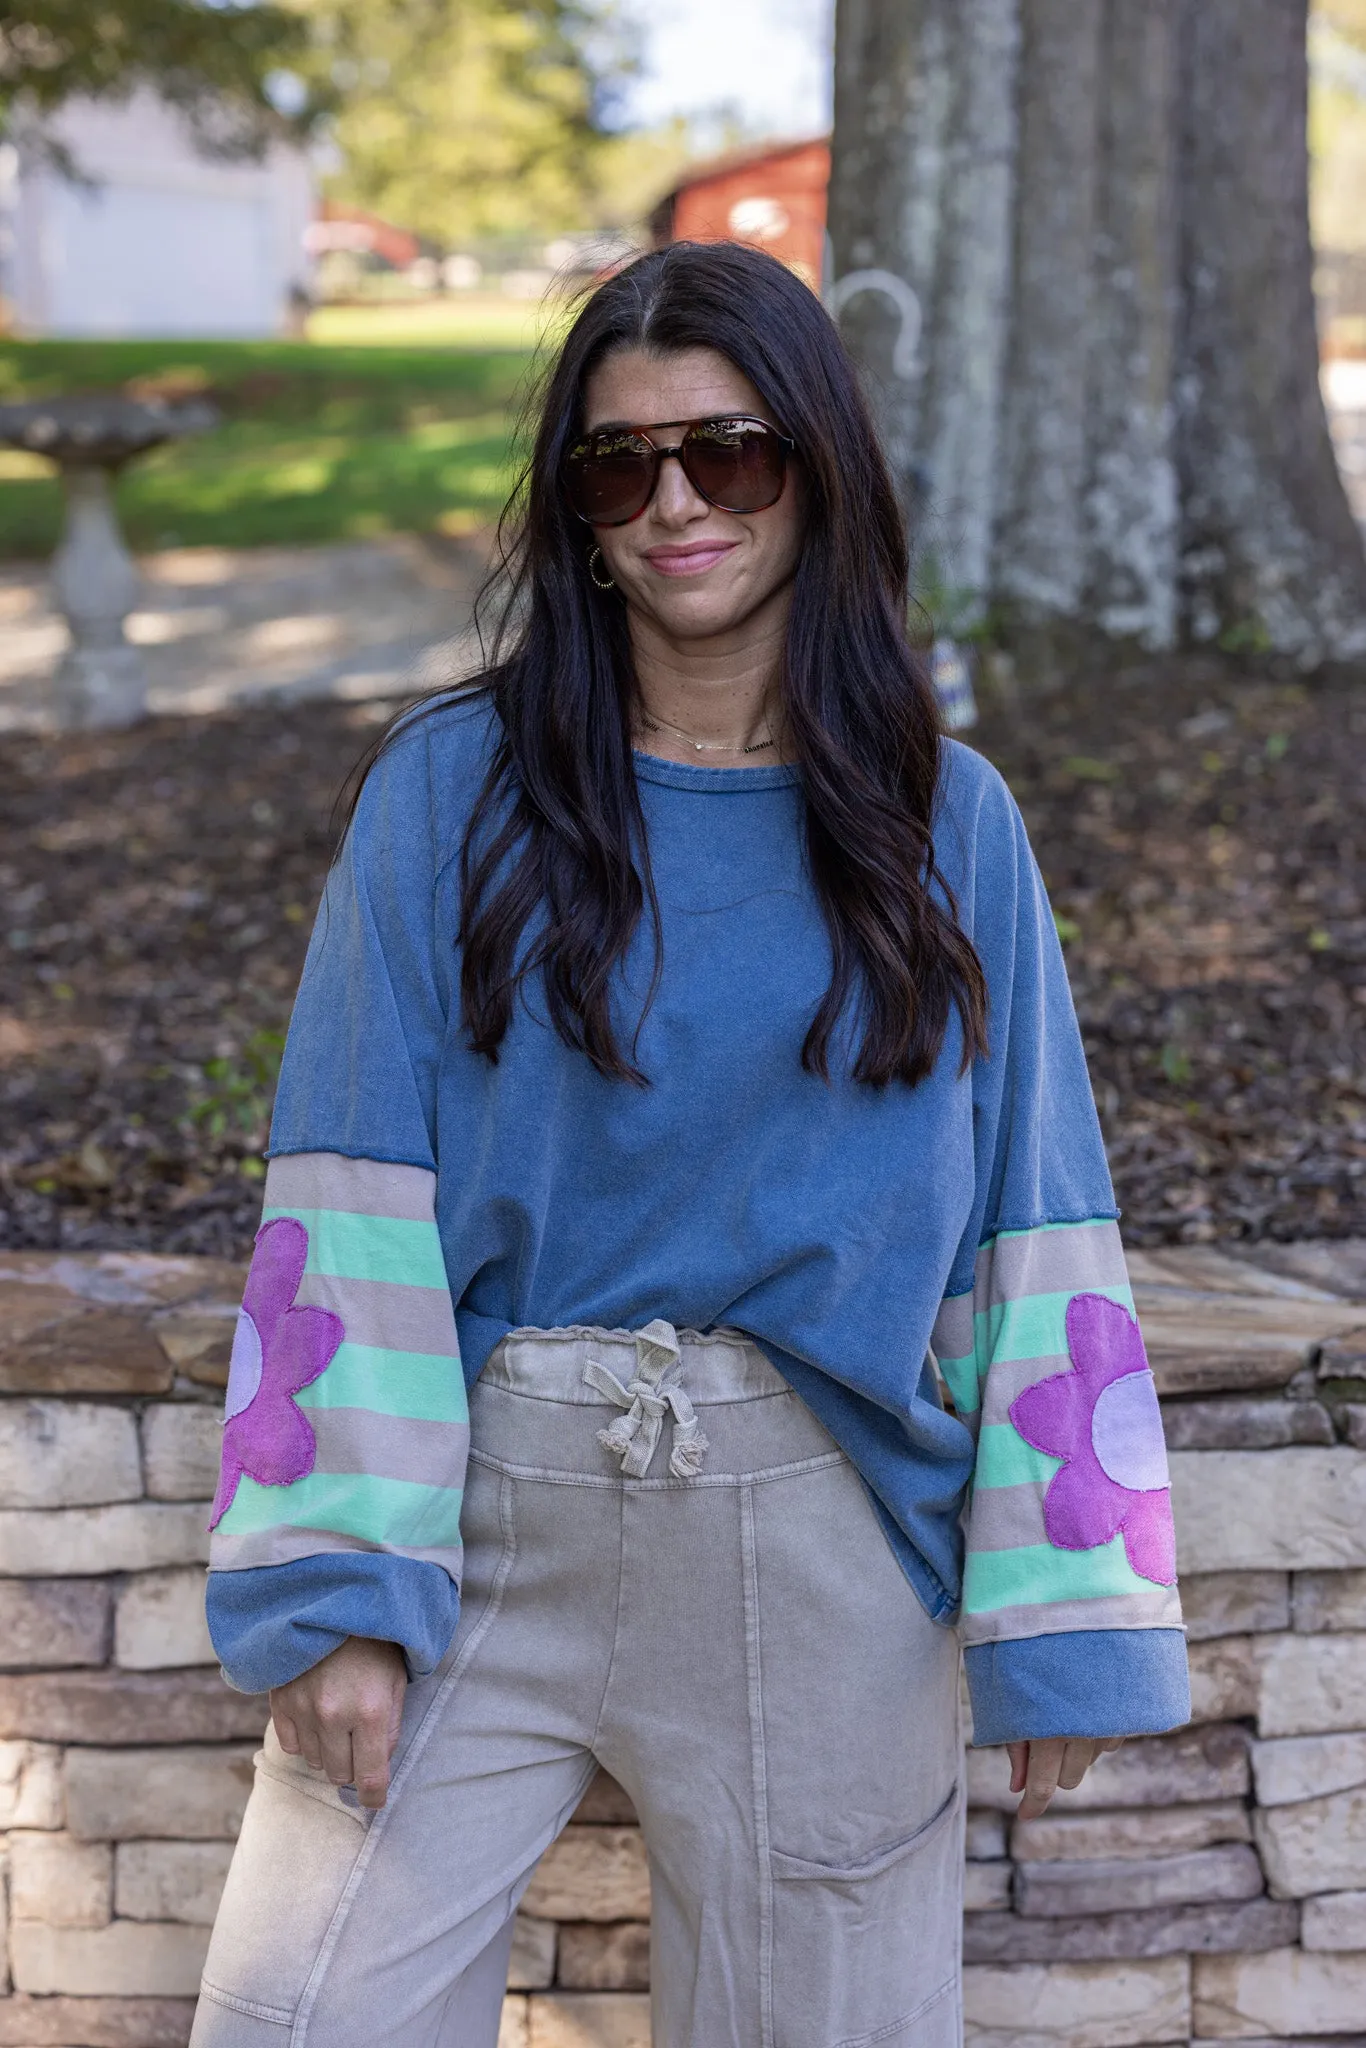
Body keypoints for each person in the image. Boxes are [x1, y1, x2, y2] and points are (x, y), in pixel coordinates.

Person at [190, 241, 1189, 2048]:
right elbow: (341, 1188)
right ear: (576, 514)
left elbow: (1036, 1227)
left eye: (726, 453)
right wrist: (338, 1583)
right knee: (296, 2017)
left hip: (818, 1544)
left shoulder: (944, 827)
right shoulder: (446, 794)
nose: (673, 504)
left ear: (814, 471)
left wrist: (1066, 1622)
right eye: (616, 464)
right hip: (485, 1519)